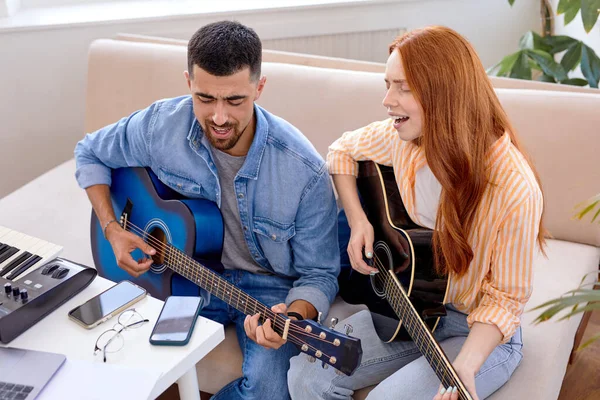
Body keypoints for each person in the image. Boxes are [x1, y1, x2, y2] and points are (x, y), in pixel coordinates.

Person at [74, 20, 339, 400]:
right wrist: (112, 227)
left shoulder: (303, 171)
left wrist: (291, 318)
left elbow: (320, 274)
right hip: (187, 281)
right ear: (188, 83)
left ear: (259, 88)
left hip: (268, 290)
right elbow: (91, 152)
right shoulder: (161, 125)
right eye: (205, 98)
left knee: (267, 390)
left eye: (235, 101)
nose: (218, 117)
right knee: (118, 349)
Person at [287, 25, 545, 400]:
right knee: (307, 378)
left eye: (403, 88)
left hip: (475, 330)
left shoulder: (515, 188)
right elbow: (341, 152)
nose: (387, 100)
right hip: (411, 309)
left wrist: (467, 365)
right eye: (387, 84)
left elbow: (505, 299)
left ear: (445, 95)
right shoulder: (402, 138)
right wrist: (359, 222)